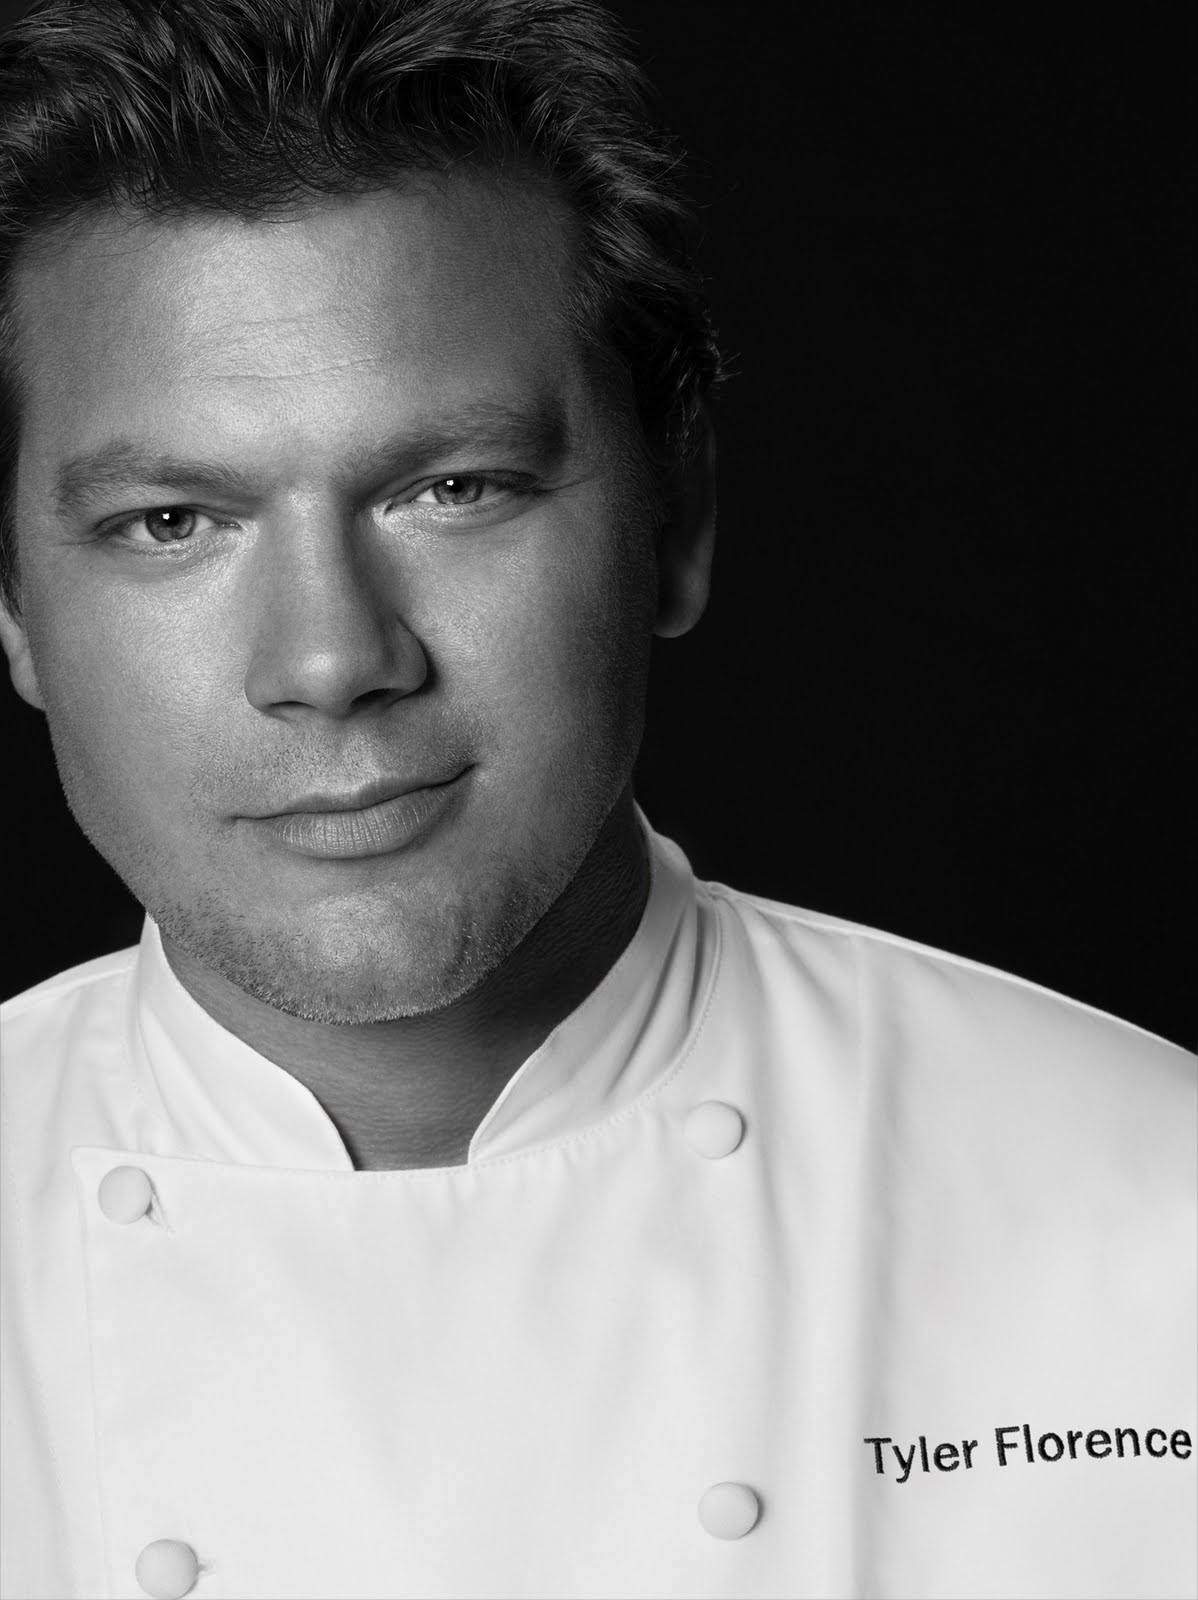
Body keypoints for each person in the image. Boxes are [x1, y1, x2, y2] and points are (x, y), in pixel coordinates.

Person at [0, 0, 1192, 1596]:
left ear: (675, 522)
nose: (332, 659)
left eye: (453, 487)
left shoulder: (1150, 1206)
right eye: (170, 522)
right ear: (14, 607)